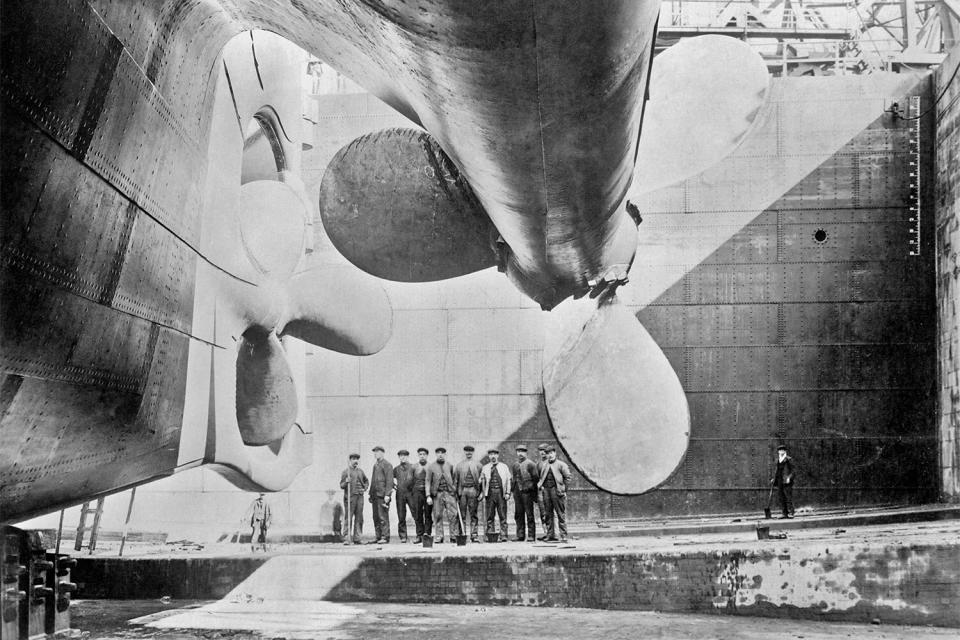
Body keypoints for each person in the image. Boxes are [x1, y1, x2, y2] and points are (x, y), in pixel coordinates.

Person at [538, 445, 572, 542]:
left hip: (557, 491)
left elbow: (568, 478)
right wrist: (542, 487)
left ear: (555, 453)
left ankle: (564, 535)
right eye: (548, 453)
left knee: (560, 514)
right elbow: (541, 477)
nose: (550, 455)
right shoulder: (544, 465)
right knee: (548, 514)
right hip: (547, 492)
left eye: (551, 453)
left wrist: (564, 490)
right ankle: (550, 535)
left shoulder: (561, 465)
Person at [426, 447, 459, 542]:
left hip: (449, 494)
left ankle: (453, 536)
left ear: (445, 455)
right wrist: (428, 495)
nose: (440, 455)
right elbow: (428, 481)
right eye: (438, 453)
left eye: (442, 453)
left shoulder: (450, 466)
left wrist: (454, 491)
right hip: (437, 494)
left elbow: (454, 479)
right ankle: (439, 536)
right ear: (436, 454)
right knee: (437, 515)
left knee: (453, 515)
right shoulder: (431, 467)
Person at [480, 449, 512, 542]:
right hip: (489, 494)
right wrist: (481, 480)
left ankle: (504, 535)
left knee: (502, 515)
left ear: (498, 455)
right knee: (490, 515)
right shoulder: (485, 468)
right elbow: (481, 481)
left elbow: (508, 480)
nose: (493, 456)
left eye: (494, 454)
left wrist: (507, 492)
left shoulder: (504, 467)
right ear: (489, 456)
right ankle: (490, 535)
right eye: (490, 454)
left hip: (500, 493)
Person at [453, 445, 483, 542]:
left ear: (473, 452)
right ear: (464, 452)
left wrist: (481, 492)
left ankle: (474, 535)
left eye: (470, 451)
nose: (468, 453)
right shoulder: (459, 465)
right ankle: (462, 535)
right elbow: (456, 481)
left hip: (473, 490)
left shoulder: (478, 465)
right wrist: (456, 493)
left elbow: (482, 481)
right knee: (462, 514)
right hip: (463, 491)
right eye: (467, 451)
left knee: (473, 514)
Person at [511, 445, 538, 541]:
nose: (520, 453)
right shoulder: (515, 465)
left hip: (527, 493)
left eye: (522, 451)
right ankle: (520, 535)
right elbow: (514, 478)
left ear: (526, 453)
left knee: (529, 514)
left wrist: (532, 491)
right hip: (517, 492)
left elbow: (535, 479)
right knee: (518, 514)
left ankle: (531, 535)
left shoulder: (531, 464)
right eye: (518, 451)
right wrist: (512, 490)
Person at [340, 453, 368, 544]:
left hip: (360, 497)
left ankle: (357, 538)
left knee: (359, 518)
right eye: (353, 459)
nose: (356, 461)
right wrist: (346, 482)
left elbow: (366, 481)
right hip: (350, 498)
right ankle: (346, 538)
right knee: (349, 517)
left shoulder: (360, 471)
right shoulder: (346, 472)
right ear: (350, 460)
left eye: (357, 459)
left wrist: (365, 488)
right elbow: (341, 485)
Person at [370, 446, 394, 543]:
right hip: (375, 495)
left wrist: (387, 495)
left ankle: (385, 537)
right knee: (375, 516)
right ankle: (378, 536)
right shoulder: (375, 465)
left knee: (383, 517)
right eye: (375, 452)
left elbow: (390, 481)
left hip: (383, 495)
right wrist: (370, 494)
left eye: (377, 452)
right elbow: (373, 480)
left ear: (383, 453)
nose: (375, 454)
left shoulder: (387, 465)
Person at [393, 449, 416, 542]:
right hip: (400, 494)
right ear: (399, 457)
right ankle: (403, 536)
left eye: (404, 456)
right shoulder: (396, 469)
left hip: (411, 494)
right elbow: (390, 479)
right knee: (401, 515)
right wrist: (395, 487)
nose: (402, 457)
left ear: (408, 457)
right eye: (401, 456)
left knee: (416, 514)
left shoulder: (413, 467)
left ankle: (420, 534)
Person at [771, 445, 796, 519]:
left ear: (785, 451)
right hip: (779, 480)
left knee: (788, 497)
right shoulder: (777, 460)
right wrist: (774, 478)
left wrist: (789, 477)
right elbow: (776, 470)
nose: (781, 451)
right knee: (781, 497)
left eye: (783, 450)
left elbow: (793, 471)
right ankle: (784, 513)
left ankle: (791, 512)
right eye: (780, 450)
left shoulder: (789, 459)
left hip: (786, 481)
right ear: (778, 451)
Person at [411, 447, 430, 542]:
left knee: (428, 514)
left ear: (427, 456)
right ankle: (419, 535)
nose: (422, 456)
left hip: (428, 493)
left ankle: (427, 534)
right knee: (418, 514)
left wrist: (430, 494)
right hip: (417, 492)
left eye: (424, 454)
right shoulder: (414, 467)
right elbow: (410, 481)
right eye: (420, 454)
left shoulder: (430, 467)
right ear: (418, 456)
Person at [536, 443, 549, 537]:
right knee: (543, 512)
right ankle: (546, 532)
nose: (543, 452)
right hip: (541, 491)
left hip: (551, 490)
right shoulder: (538, 464)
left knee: (551, 512)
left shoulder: (552, 462)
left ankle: (553, 533)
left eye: (544, 450)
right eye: (541, 451)